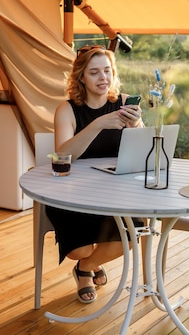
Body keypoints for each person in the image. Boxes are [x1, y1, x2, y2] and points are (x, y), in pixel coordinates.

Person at [46, 44, 144, 304]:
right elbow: (63, 157)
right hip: (71, 193)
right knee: (79, 248)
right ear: (81, 77)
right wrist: (98, 124)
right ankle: (86, 261)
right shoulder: (66, 110)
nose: (103, 78)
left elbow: (140, 152)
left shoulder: (122, 104)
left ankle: (85, 269)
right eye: (94, 72)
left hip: (113, 192)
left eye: (107, 71)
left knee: (131, 234)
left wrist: (136, 125)